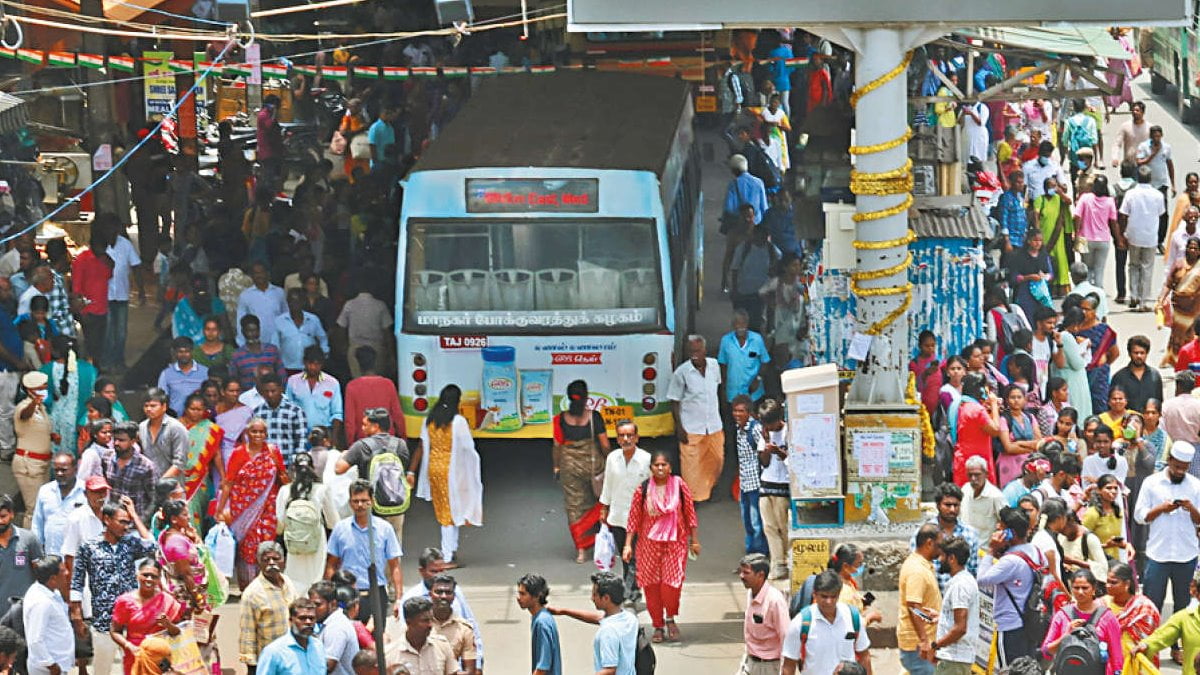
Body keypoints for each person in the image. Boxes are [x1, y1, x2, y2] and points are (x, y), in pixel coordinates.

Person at [69, 498, 156, 674]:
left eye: (128, 523)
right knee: (102, 669)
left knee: (136, 667)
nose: (126, 527)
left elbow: (151, 545)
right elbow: (76, 581)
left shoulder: (130, 544)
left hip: (133, 619)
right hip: (104, 620)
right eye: (122, 521)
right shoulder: (89, 547)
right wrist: (77, 613)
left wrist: (134, 515)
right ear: (107, 520)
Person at [622, 449, 699, 643]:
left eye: (664, 465)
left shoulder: (680, 486)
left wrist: (694, 540)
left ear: (670, 467)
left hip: (676, 543)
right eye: (657, 465)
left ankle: (670, 618)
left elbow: (690, 514)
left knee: (671, 584)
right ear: (651, 468)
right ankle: (658, 625)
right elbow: (633, 518)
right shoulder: (644, 489)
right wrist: (628, 545)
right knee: (651, 586)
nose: (660, 468)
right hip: (648, 544)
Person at [412, 385, 484, 564]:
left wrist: (411, 470)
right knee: (449, 514)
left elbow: (422, 446)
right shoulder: (458, 421)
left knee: (448, 510)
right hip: (451, 471)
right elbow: (468, 447)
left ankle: (452, 549)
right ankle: (447, 555)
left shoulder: (429, 420)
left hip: (434, 469)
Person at [216, 417, 288, 588]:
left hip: (268, 508)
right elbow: (228, 483)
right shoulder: (238, 453)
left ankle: (268, 584)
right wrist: (220, 510)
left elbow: (283, 478)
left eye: (261, 432)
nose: (258, 435)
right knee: (247, 547)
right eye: (254, 431)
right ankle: (248, 587)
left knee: (266, 544)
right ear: (247, 433)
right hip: (242, 509)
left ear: (266, 434)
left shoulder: (272, 452)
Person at [325, 480, 404, 628]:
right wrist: (328, 595)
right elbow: (331, 564)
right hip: (347, 593)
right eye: (356, 501)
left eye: (364, 501)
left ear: (372, 501)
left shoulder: (385, 529)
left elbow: (395, 566)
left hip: (377, 592)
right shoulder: (340, 529)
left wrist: (399, 599)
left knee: (377, 641)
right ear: (350, 503)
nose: (360, 505)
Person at [1134, 440, 1200, 615]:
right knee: (1151, 605)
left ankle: (1178, 642)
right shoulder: (1151, 482)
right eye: (1177, 466)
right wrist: (1161, 509)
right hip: (1158, 554)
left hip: (1186, 555)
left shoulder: (1195, 485)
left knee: (1184, 608)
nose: (1180, 471)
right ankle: (1150, 641)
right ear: (1170, 460)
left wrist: (1191, 508)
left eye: (1184, 468)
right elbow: (1140, 516)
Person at [977, 505, 1049, 666]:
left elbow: (982, 579)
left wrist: (991, 551)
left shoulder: (1010, 561)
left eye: (1000, 528)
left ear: (1011, 533)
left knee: (1009, 669)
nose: (996, 531)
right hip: (1031, 623)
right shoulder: (1036, 551)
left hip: (1010, 627)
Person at [551, 379, 611, 563]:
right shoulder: (594, 417)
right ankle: (603, 545)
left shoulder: (560, 419)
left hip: (570, 468)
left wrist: (557, 466)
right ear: (586, 398)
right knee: (599, 503)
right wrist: (611, 463)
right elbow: (605, 445)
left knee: (575, 507)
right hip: (594, 467)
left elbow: (557, 446)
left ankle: (581, 551)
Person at [336, 407, 409, 544]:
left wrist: (345, 454)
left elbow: (339, 469)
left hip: (371, 505)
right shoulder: (401, 444)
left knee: (371, 545)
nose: (362, 428)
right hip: (396, 503)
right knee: (394, 543)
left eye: (365, 425)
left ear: (376, 426)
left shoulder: (361, 446)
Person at [667, 336, 725, 503]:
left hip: (714, 425)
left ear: (704, 351)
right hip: (692, 428)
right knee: (692, 467)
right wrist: (679, 427)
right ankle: (691, 500)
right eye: (691, 352)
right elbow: (674, 401)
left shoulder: (714, 366)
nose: (694, 355)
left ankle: (708, 491)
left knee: (716, 461)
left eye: (697, 351)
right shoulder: (681, 373)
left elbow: (718, 390)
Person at [599, 419, 651, 599]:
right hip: (618, 515)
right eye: (622, 435)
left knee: (635, 555)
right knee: (624, 553)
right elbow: (608, 484)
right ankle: (633, 587)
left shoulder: (646, 459)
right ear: (618, 438)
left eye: (630, 435)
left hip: (641, 517)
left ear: (637, 437)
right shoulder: (613, 458)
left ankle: (629, 591)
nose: (626, 439)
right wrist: (604, 508)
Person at [780, 570, 871, 675]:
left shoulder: (853, 617)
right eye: (824, 596)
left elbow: (864, 657)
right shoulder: (800, 623)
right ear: (814, 594)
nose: (829, 602)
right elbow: (789, 665)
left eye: (833, 596)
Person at [549, 570, 639, 674]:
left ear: (606, 598)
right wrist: (563, 611)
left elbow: (610, 670)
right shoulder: (630, 618)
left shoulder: (608, 632)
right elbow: (599, 618)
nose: (592, 598)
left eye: (594, 595)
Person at [1040, 568, 1124, 673]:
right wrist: (1066, 635)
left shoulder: (1107, 617)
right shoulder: (1062, 615)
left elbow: (1117, 657)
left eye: (1085, 588)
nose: (1080, 592)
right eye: (1076, 588)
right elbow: (1046, 651)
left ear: (1093, 590)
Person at [276, 452, 338, 591]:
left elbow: (280, 525)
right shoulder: (322, 489)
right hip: (316, 540)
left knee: (294, 576)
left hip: (293, 539)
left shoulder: (284, 490)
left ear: (293, 470)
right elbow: (333, 522)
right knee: (314, 576)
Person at [110, 558, 183, 674]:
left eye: (154, 576)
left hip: (160, 659)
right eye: (145, 575)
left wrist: (168, 624)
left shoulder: (166, 600)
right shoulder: (125, 601)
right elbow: (115, 631)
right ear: (137, 575)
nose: (149, 579)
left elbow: (178, 633)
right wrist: (128, 646)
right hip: (135, 654)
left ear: (159, 579)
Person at [238, 541, 298, 672]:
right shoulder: (252, 593)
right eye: (266, 560)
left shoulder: (288, 582)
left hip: (292, 657)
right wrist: (252, 667)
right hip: (269, 661)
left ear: (283, 561)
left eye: (276, 559)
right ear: (259, 563)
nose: (271, 563)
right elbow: (247, 632)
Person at [909, 482, 980, 589]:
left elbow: (973, 570)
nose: (952, 509)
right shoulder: (923, 534)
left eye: (956, 505)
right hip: (932, 599)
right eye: (947, 505)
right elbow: (916, 568)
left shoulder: (971, 534)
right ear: (938, 505)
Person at [1120, 165, 1167, 311]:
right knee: (1147, 267)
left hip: (1134, 234)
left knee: (1133, 265)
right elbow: (1161, 213)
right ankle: (1143, 301)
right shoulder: (1158, 195)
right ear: (1150, 178)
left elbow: (1123, 214)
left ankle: (1133, 294)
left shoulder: (1131, 194)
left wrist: (1123, 232)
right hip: (1150, 236)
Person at [929, 536, 978, 675]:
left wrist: (935, 646)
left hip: (954, 659)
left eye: (942, 556)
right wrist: (941, 617)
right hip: (955, 659)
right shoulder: (963, 581)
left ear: (952, 558)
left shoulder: (960, 586)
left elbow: (960, 628)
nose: (939, 560)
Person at [39, 336, 96, 455]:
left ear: (54, 350)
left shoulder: (47, 369)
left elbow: (42, 398)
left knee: (57, 455)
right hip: (81, 418)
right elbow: (93, 395)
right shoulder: (89, 369)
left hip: (55, 420)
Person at [730, 396, 769, 557]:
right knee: (747, 519)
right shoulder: (739, 429)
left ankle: (759, 553)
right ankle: (750, 550)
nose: (737, 414)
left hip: (756, 483)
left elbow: (765, 451)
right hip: (744, 482)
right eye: (735, 410)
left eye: (741, 411)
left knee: (756, 520)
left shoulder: (755, 428)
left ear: (749, 412)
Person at [756, 399, 791, 580]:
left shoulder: (789, 432)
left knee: (783, 527)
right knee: (769, 527)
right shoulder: (764, 434)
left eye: (770, 423)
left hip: (783, 486)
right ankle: (777, 564)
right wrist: (768, 447)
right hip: (766, 484)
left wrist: (779, 451)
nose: (767, 427)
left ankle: (786, 560)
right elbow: (764, 462)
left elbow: (794, 462)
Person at [738, 553, 789, 674]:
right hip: (750, 662)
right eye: (741, 572)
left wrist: (784, 670)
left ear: (760, 575)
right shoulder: (751, 593)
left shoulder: (775, 601)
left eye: (746, 573)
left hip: (769, 668)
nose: (741, 576)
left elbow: (786, 637)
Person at [343, 346, 403, 447]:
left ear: (358, 363)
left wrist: (350, 445)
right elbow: (398, 416)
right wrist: (403, 438)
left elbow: (350, 422)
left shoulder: (352, 387)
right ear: (375, 362)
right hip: (388, 442)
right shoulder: (388, 384)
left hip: (364, 443)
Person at [23, 555, 73, 675]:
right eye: (63, 571)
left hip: (57, 664)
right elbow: (35, 640)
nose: (67, 573)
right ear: (53, 579)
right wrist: (51, 665)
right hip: (48, 669)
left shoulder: (49, 591)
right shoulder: (42, 602)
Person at [179, 393, 223, 528]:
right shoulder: (176, 426)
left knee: (195, 513)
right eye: (193, 409)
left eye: (199, 409)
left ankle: (196, 542)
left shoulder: (210, 428)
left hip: (199, 479)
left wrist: (223, 476)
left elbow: (216, 454)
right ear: (186, 409)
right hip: (178, 477)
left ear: (205, 410)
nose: (196, 413)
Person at [103, 215, 141, 372]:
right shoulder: (100, 246)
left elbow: (136, 266)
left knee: (120, 332)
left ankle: (119, 361)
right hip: (104, 296)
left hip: (122, 295)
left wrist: (141, 291)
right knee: (108, 332)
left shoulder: (126, 245)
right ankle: (107, 362)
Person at [1104, 562, 1161, 666]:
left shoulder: (1145, 608)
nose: (1108, 586)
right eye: (1107, 581)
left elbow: (1152, 639)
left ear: (1127, 584)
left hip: (1136, 663)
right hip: (1109, 664)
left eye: (1113, 582)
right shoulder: (1102, 604)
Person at [384, 597, 457, 675]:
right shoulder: (389, 654)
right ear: (408, 622)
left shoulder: (442, 646)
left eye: (431, 620)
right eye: (424, 621)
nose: (430, 625)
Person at [950, 373, 1000, 486]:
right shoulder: (977, 410)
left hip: (963, 460)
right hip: (978, 463)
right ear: (979, 389)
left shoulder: (962, 405)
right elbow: (995, 430)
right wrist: (994, 405)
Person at [102, 422, 158, 522]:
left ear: (133, 441)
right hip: (111, 521)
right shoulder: (107, 457)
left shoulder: (145, 466)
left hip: (134, 523)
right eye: (115, 439)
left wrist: (141, 521)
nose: (116, 443)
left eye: (122, 440)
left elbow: (154, 498)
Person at [71, 231, 113, 362]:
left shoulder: (105, 259)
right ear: (93, 245)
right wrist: (82, 312)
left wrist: (110, 264)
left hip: (102, 308)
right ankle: (90, 370)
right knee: (91, 344)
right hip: (88, 310)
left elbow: (108, 276)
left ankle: (97, 367)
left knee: (100, 343)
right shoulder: (81, 260)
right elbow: (76, 288)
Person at [1075, 294, 1120, 416]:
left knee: (1099, 405)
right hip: (1080, 373)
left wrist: (1101, 365)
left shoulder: (1103, 330)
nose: (1083, 312)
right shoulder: (1075, 327)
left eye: (1087, 309)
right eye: (1081, 308)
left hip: (1098, 376)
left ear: (1094, 311)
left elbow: (1115, 353)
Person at [255, 598, 326, 675]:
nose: (308, 622)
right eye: (302, 618)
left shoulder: (318, 646)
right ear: (291, 620)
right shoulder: (274, 652)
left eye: (311, 618)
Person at [30, 452, 82, 557]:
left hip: (77, 558)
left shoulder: (85, 492)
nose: (59, 474)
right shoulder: (45, 491)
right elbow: (37, 524)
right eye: (56, 470)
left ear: (75, 469)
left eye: (64, 470)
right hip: (51, 556)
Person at [336, 287, 393, 379]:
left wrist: (343, 346)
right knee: (377, 380)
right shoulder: (380, 305)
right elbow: (387, 331)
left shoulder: (349, 305)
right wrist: (390, 353)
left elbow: (341, 327)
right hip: (376, 348)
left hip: (355, 348)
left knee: (357, 381)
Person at [252, 373, 309, 464]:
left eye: (273, 391)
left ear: (281, 389)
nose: (270, 395)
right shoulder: (257, 412)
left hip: (287, 463)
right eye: (266, 391)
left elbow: (301, 440)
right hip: (264, 465)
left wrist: (298, 463)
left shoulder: (295, 411)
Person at [1159, 239, 1200, 367]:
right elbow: (1169, 283)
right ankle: (1175, 361)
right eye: (1190, 247)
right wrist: (1161, 298)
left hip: (1195, 307)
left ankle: (1191, 360)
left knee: (1191, 334)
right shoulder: (1179, 264)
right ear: (1186, 248)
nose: (1192, 250)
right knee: (1177, 334)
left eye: (1195, 248)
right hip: (1179, 306)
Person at [286, 347, 343, 436]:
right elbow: (287, 409)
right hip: (299, 433)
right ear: (304, 362)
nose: (313, 367)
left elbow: (337, 414)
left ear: (322, 364)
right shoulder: (293, 381)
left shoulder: (332, 383)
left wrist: (334, 438)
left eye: (317, 364)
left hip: (323, 434)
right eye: (310, 363)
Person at [1136, 124, 1176, 248]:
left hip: (1162, 184)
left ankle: (1160, 240)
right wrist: (1152, 154)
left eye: (1159, 136)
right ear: (1151, 136)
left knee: (1163, 214)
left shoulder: (1166, 148)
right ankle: (1146, 237)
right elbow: (1139, 162)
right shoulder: (1143, 147)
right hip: (1148, 185)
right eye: (1155, 136)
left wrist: (1173, 184)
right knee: (1147, 212)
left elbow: (1170, 165)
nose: (1157, 139)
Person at [719, 309, 770, 404]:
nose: (740, 327)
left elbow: (765, 361)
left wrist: (758, 378)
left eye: (743, 323)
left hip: (753, 393)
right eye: (737, 324)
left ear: (747, 324)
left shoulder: (757, 339)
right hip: (733, 393)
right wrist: (723, 387)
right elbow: (723, 365)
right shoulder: (726, 341)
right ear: (733, 325)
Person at [1032, 177, 1073, 297]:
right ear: (1045, 188)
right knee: (1047, 261)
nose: (1052, 188)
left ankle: (1062, 288)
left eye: (1054, 186)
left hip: (1057, 236)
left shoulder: (1058, 199)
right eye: (1050, 186)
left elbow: (1069, 202)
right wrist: (1038, 235)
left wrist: (1061, 193)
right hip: (1044, 236)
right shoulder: (1040, 200)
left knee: (1060, 261)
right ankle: (1050, 288)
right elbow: (1036, 216)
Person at [428, 575, 478, 673]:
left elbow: (469, 670)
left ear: (454, 596)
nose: (443, 596)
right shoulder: (419, 622)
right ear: (430, 594)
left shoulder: (464, 629)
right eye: (438, 592)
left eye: (448, 592)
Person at [996, 385, 1043, 486]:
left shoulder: (1030, 417)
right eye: (1012, 397)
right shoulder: (1004, 419)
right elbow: (1008, 448)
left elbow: (1039, 442)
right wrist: (1031, 447)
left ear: (1024, 399)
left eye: (1019, 397)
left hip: (1030, 463)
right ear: (1007, 400)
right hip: (1010, 465)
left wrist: (1019, 443)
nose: (1016, 400)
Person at [138, 388, 188, 480]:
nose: (149, 409)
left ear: (164, 407)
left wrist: (161, 482)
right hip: (148, 487)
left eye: (153, 406)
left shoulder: (176, 427)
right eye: (146, 406)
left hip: (172, 487)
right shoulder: (142, 427)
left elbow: (180, 462)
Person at [516, 573, 562, 675]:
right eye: (519, 593)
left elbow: (542, 666)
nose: (518, 598)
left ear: (537, 596)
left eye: (523, 594)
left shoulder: (541, 623)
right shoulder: (541, 618)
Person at [275, 289, 328, 374]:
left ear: (303, 302)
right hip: (287, 367)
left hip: (309, 367)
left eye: (297, 301)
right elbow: (275, 345)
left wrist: (324, 353)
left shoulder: (313, 319)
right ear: (287, 302)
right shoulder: (279, 321)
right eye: (291, 301)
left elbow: (323, 338)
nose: (294, 304)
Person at [310, 581, 358, 675]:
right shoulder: (327, 623)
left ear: (333, 604)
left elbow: (327, 666)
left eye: (318, 605)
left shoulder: (336, 626)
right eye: (311, 605)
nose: (313, 609)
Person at [230, 315, 285, 391]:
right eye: (248, 331)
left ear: (259, 330)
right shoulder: (237, 355)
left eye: (255, 330)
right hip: (248, 398)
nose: (252, 334)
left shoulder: (272, 350)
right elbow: (234, 379)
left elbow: (281, 374)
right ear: (243, 332)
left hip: (272, 395)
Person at [1082, 474, 1129, 560]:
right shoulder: (1093, 513)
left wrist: (1126, 545)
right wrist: (1105, 546)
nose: (1113, 491)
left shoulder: (1117, 511)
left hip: (1114, 561)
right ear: (1099, 490)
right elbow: (1082, 541)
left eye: (1115, 488)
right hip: (1096, 562)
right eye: (1109, 488)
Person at [157, 337, 208, 414]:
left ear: (192, 351)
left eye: (187, 351)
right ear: (174, 353)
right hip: (176, 420)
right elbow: (161, 399)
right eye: (180, 352)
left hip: (200, 421)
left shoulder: (205, 372)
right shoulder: (166, 374)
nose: (184, 355)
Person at [960, 455, 1005, 540]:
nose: (973, 479)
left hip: (985, 549)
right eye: (970, 475)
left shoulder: (995, 496)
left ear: (986, 474)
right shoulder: (965, 489)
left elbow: (1006, 522)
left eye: (977, 475)